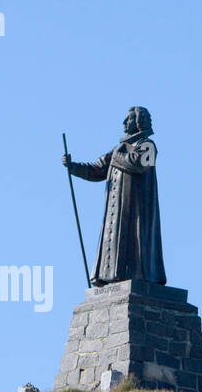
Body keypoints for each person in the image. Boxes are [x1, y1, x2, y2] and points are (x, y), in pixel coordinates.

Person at [62, 106, 167, 286]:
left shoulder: (147, 145)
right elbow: (97, 169)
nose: (124, 123)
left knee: (135, 241)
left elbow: (140, 164)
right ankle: (111, 276)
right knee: (114, 238)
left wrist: (118, 156)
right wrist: (73, 167)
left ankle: (139, 276)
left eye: (128, 119)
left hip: (136, 208)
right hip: (117, 207)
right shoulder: (119, 148)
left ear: (138, 122)